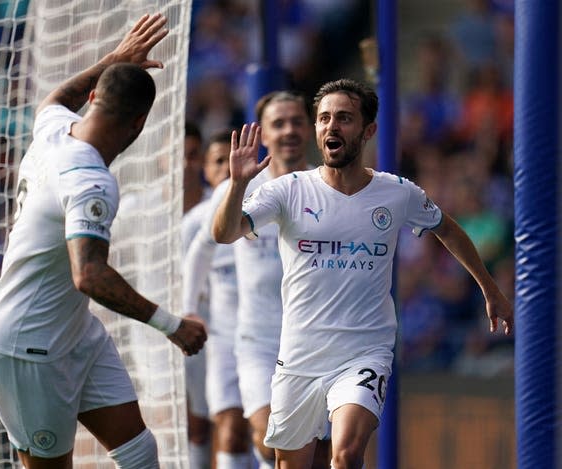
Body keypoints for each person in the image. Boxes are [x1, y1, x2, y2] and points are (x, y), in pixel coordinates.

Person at [211, 78, 513, 469]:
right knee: (288, 462)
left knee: (346, 454)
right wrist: (237, 185)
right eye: (323, 119)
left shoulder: (397, 192)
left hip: (364, 351)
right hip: (300, 353)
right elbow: (224, 234)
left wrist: (489, 289)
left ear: (368, 130)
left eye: (344, 118)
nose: (331, 127)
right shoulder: (288, 191)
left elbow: (447, 229)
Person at [0, 13, 207, 469]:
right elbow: (89, 275)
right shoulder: (90, 180)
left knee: (140, 452)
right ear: (140, 124)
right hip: (26, 345)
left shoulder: (52, 129)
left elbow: (57, 97)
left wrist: (114, 59)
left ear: (95, 97)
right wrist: (171, 325)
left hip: (74, 333)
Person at [186, 91, 330, 468]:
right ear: (263, 134)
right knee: (270, 439)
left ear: (311, 127)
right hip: (257, 341)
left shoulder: (328, 186)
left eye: (297, 121)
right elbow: (203, 247)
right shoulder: (239, 188)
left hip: (315, 339)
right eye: (278, 124)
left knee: (321, 454)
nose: (289, 131)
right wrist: (188, 310)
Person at [183, 129, 252, 468]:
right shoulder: (196, 222)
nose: (228, 169)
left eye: (233, 160)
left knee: (271, 436)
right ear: (206, 170)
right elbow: (186, 275)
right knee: (220, 426)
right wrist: (189, 311)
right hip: (216, 340)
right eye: (218, 162)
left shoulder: (264, 206)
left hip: (269, 334)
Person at [181, 121, 214, 469]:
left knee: (199, 425)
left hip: (205, 326)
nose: (187, 164)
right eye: (180, 156)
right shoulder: (136, 209)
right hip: (151, 328)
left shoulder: (215, 210)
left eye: (194, 156)